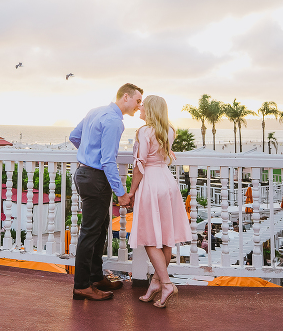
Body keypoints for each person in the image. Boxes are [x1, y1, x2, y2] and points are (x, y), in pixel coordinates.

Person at [69, 83, 141, 301]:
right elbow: (108, 161)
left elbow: (74, 136)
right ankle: (82, 286)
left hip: (83, 173)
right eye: (137, 101)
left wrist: (89, 153)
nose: (139, 106)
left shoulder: (95, 111)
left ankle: (95, 276)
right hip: (95, 178)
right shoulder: (113, 121)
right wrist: (121, 194)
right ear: (125, 97)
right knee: (91, 231)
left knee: (99, 228)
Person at [128, 95, 191, 308]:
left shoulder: (144, 131)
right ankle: (156, 282)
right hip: (168, 183)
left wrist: (132, 191)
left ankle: (165, 283)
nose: (140, 109)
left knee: (148, 237)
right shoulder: (169, 130)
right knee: (165, 237)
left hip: (151, 184)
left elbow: (140, 165)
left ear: (151, 110)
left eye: (143, 106)